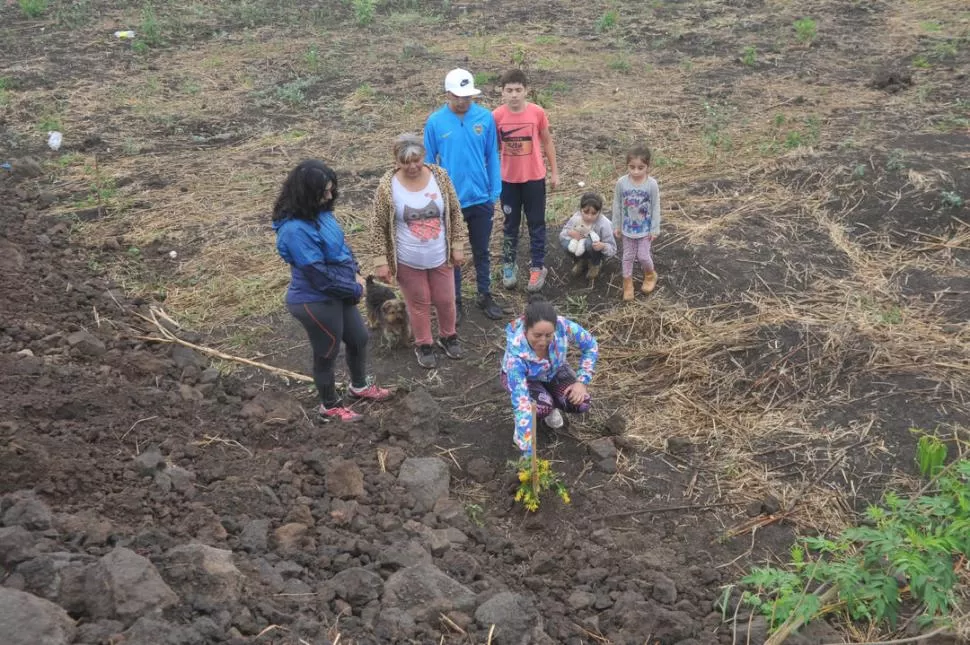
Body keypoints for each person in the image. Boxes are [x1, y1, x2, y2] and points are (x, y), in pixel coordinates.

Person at [272, 160, 391, 421]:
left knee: (359, 338)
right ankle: (330, 406)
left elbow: (342, 248)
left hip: (339, 291)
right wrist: (354, 287)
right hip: (315, 300)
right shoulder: (293, 231)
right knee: (327, 351)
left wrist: (357, 272)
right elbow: (318, 275)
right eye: (323, 192)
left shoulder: (321, 213)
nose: (329, 196)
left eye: (330, 190)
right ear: (306, 194)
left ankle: (358, 386)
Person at [372, 134, 465, 369]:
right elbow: (377, 225)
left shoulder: (440, 177)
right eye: (406, 161)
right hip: (407, 257)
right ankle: (424, 344)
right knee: (418, 302)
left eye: (417, 160)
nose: (412, 166)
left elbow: (454, 211)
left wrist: (457, 246)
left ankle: (448, 336)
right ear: (396, 161)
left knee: (446, 299)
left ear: (424, 156)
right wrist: (381, 261)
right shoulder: (387, 186)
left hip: (439, 254)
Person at [424, 68, 504, 322]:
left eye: (468, 96)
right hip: (451, 201)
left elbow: (492, 154)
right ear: (448, 94)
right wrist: (435, 197)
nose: (464, 101)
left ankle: (484, 293)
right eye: (458, 96)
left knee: (482, 250)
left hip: (481, 197)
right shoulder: (436, 122)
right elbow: (428, 162)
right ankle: (454, 299)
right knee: (453, 253)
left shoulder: (485, 117)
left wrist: (494, 191)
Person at [501, 295, 598, 457]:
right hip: (527, 380)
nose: (543, 341)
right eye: (537, 335)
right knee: (539, 407)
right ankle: (541, 412)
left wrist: (582, 381)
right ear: (526, 329)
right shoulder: (515, 356)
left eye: (548, 335)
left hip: (554, 371)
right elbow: (522, 403)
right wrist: (528, 451)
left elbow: (591, 346)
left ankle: (551, 400)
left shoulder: (563, 326)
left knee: (581, 402)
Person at [492, 69, 560, 293]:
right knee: (510, 224)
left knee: (536, 223)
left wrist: (554, 172)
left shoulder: (537, 113)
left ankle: (537, 266)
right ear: (501, 92)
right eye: (509, 90)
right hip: (508, 180)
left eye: (518, 90)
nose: (514, 95)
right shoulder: (496, 116)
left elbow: (547, 141)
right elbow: (493, 150)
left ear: (526, 91)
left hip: (534, 178)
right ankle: (509, 265)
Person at [612, 143, 661, 301]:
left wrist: (654, 228)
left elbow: (655, 206)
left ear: (647, 166)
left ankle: (650, 275)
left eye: (640, 168)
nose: (636, 171)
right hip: (627, 230)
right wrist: (617, 225)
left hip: (645, 229)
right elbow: (617, 205)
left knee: (643, 256)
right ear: (627, 165)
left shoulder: (651, 184)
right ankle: (628, 284)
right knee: (627, 257)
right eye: (632, 167)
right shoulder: (622, 183)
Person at [559, 192, 617, 280]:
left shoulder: (604, 224)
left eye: (594, 213)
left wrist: (603, 246)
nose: (589, 217)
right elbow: (562, 234)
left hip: (596, 250)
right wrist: (571, 233)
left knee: (589, 243)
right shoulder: (577, 217)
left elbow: (612, 249)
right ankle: (581, 260)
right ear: (580, 209)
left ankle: (595, 263)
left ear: (599, 212)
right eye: (586, 212)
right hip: (579, 246)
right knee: (565, 243)